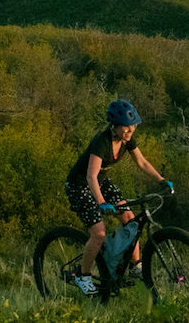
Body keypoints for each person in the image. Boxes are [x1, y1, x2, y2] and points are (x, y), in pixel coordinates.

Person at [65, 99, 172, 296]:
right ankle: (83, 275)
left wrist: (161, 180)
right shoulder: (102, 142)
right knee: (99, 234)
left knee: (130, 220)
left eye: (133, 126)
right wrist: (102, 203)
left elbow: (142, 162)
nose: (130, 130)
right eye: (126, 127)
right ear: (115, 125)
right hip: (80, 185)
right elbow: (90, 176)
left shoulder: (126, 139)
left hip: (101, 182)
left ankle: (135, 266)